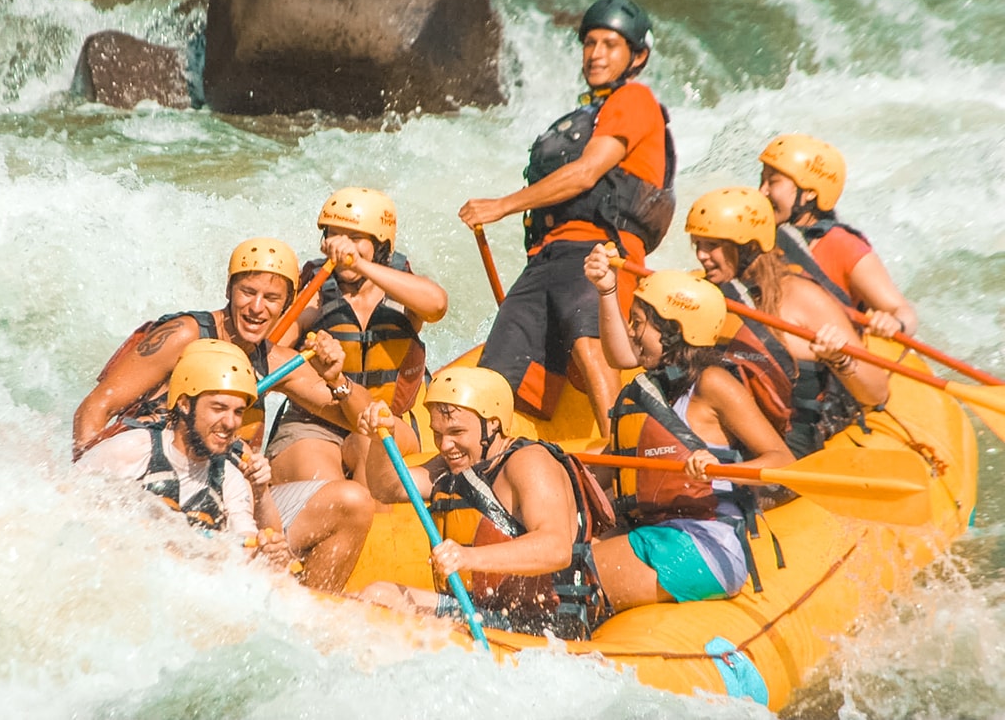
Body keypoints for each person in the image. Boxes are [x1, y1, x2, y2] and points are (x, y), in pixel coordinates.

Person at [458, 0, 675, 437]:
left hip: (600, 253)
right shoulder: (583, 115)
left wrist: (502, 205)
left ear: (638, 56)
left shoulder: (634, 99)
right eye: (590, 43)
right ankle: (487, 458)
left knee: (587, 340)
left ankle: (619, 452)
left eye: (610, 44)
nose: (596, 54)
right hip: (547, 259)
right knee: (500, 362)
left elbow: (587, 173)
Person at [76, 338, 374, 592]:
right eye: (218, 408)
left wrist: (269, 557)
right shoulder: (132, 450)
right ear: (184, 404)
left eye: (238, 412)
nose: (230, 423)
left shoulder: (230, 477)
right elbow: (67, 505)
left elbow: (242, 550)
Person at [581, 263, 795, 611]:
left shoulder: (712, 384)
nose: (631, 332)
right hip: (657, 534)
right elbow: (600, 473)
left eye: (637, 322)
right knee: (568, 553)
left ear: (672, 331)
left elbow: (784, 462)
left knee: (570, 577)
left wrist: (721, 470)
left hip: (705, 546)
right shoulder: (650, 391)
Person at [355, 366, 614, 640]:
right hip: (484, 612)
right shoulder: (453, 465)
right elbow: (388, 488)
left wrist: (468, 558)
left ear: (492, 424)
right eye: (438, 434)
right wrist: (380, 438)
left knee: (379, 599)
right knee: (377, 597)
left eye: (456, 432)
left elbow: (556, 548)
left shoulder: (530, 463)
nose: (445, 445)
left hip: (544, 626)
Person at [72, 237, 373, 461]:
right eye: (247, 292)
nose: (257, 307)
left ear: (286, 304)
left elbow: (361, 421)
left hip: (214, 493)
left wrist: (336, 379)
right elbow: (96, 407)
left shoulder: (277, 362)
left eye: (271, 298)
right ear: (229, 290)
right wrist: (90, 481)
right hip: (144, 471)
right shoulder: (185, 335)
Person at [683, 187, 890, 456]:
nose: (701, 255)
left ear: (748, 247)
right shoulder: (707, 294)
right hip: (740, 438)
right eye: (697, 244)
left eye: (712, 245)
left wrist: (839, 358)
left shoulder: (801, 297)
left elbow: (877, 393)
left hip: (799, 444)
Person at [267, 187, 447, 486]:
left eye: (354, 238)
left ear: (380, 244)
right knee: (333, 492)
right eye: (334, 235)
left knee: (370, 438)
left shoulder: (402, 289)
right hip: (317, 422)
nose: (342, 246)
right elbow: (270, 353)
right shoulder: (315, 289)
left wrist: (359, 263)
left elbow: (437, 304)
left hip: (386, 419)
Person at [757, 134, 918, 338]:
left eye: (772, 182)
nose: (762, 191)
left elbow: (904, 312)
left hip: (828, 350)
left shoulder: (841, 244)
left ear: (809, 192)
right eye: (761, 180)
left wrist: (895, 323)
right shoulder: (757, 235)